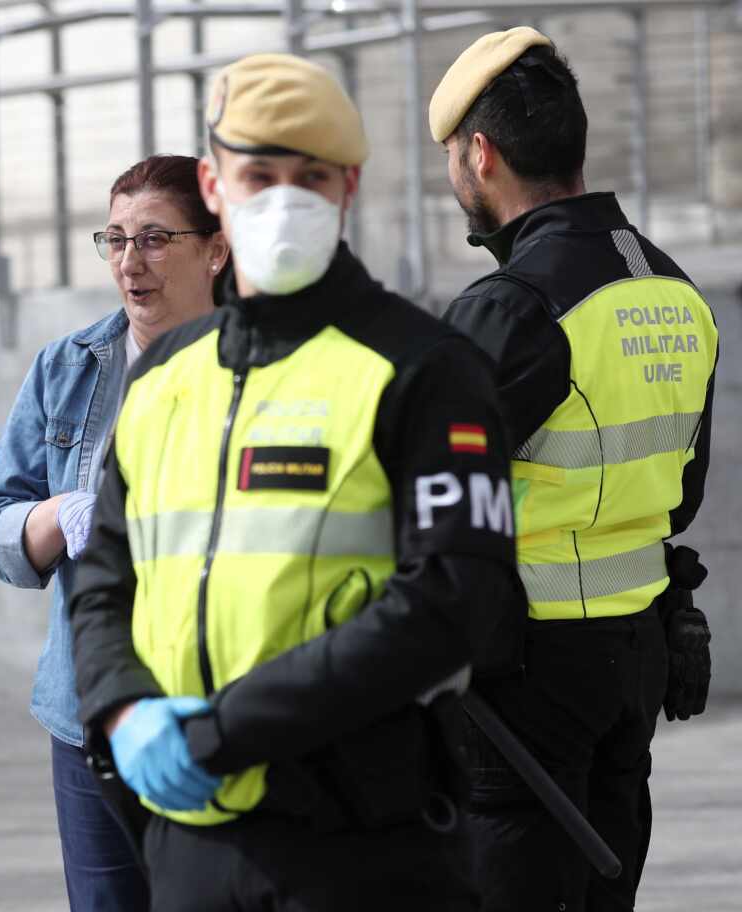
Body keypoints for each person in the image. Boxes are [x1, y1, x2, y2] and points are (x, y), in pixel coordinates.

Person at [69, 53, 525, 910]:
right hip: (186, 841)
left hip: (357, 844)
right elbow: (104, 574)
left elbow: (456, 604)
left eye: (310, 176)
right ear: (213, 183)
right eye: (259, 174)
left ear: (349, 186)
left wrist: (218, 734)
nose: (284, 199)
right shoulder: (164, 373)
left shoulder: (424, 369)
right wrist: (124, 711)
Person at [430, 28, 717, 911]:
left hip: (523, 682)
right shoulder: (673, 289)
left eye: (452, 158)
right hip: (633, 660)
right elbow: (682, 497)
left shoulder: (515, 307)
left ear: (482, 155)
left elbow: (418, 495)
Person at [0, 154, 229, 910]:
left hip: (220, 707)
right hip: (90, 710)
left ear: (215, 248)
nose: (129, 262)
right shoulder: (71, 367)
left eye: (154, 239)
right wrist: (56, 517)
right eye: (114, 240)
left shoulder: (268, 367)